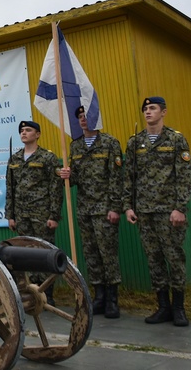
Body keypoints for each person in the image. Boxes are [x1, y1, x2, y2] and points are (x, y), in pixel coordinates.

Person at [125, 96, 191, 327]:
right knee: (153, 259)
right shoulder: (135, 142)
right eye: (145, 109)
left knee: (174, 257)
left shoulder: (175, 139)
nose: (148, 112)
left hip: (168, 211)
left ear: (163, 112)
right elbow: (129, 177)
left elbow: (184, 176)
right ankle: (163, 307)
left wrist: (180, 208)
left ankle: (179, 308)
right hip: (144, 211)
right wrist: (128, 206)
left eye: (152, 108)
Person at [60, 106, 124, 318]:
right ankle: (99, 296)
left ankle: (112, 299)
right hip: (85, 208)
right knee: (91, 253)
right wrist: (67, 175)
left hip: (104, 208)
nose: (83, 119)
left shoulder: (109, 143)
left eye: (86, 116)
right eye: (80, 116)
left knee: (108, 253)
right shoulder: (76, 145)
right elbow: (75, 179)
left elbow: (116, 177)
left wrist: (115, 207)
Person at [6, 120, 63, 305]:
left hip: (42, 214)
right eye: (22, 130)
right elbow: (10, 188)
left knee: (44, 252)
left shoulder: (47, 157)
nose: (24, 133)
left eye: (28, 130)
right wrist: (11, 215)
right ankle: (31, 292)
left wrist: (54, 215)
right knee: (25, 253)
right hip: (21, 214)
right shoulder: (15, 159)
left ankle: (47, 294)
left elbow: (55, 188)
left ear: (37, 134)